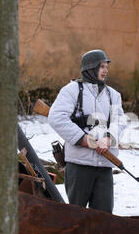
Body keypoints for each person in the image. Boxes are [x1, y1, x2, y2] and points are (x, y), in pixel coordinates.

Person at [48, 49, 126, 213]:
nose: (106, 70)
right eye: (102, 66)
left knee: (104, 216)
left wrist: (108, 138)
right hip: (79, 165)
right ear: (90, 68)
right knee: (76, 215)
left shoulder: (113, 95)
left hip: (105, 165)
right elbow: (56, 118)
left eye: (106, 66)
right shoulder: (72, 90)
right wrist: (84, 140)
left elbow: (120, 121)